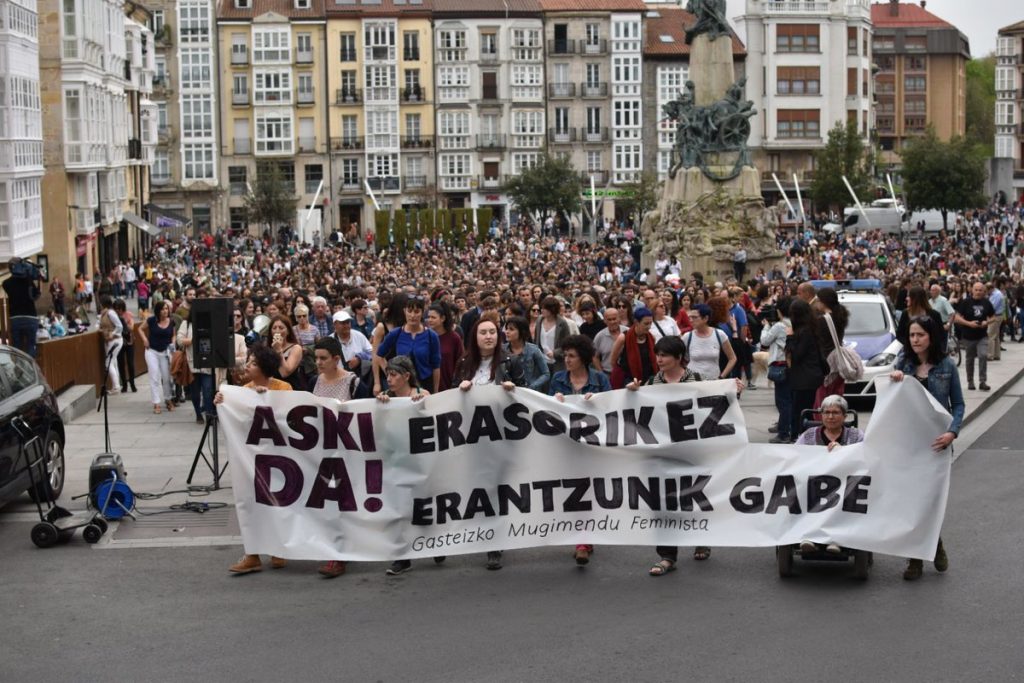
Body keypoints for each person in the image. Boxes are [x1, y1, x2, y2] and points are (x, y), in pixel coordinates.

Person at [627, 336, 742, 575]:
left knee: (694, 496)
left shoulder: (698, 380)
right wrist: (632, 394)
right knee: (661, 500)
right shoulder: (651, 383)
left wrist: (732, 390)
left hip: (693, 451)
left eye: (665, 355)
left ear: (679, 357)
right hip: (662, 452)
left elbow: (720, 402)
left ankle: (700, 536)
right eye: (657, 355)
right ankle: (667, 555)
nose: (659, 359)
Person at [889, 314, 963, 581]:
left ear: (931, 336)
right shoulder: (903, 364)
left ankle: (934, 543)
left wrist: (952, 433)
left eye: (920, 334)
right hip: (909, 444)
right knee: (912, 501)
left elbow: (958, 404)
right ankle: (917, 559)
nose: (915, 339)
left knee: (930, 501)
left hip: (937, 444)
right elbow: (892, 402)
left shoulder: (946, 366)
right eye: (911, 335)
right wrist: (894, 379)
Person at [453, 315, 525, 570]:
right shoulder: (464, 363)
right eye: (483, 332)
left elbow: (527, 395)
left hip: (502, 436)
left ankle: (494, 542)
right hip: (473, 437)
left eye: (493, 332)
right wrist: (459, 390)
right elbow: (450, 400)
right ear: (475, 336)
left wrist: (513, 389)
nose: (488, 336)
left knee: (498, 487)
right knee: (479, 486)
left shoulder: (510, 361)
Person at [214, 343, 291, 575]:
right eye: (249, 361)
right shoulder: (243, 389)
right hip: (252, 459)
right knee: (251, 504)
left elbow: (289, 419)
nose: (248, 365)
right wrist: (222, 401)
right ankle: (252, 554)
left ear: (265, 367)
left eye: (254, 363)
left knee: (277, 504)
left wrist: (267, 400)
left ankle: (278, 548)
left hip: (279, 458)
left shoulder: (283, 388)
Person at [548, 334, 611, 566]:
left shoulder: (600, 379)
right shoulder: (558, 379)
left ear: (583, 358)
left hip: (593, 444)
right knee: (575, 491)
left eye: (572, 356)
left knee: (590, 490)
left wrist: (597, 401)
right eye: (565, 356)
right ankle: (582, 539)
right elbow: (546, 409)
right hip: (567, 443)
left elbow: (612, 407)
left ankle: (585, 538)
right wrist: (553, 400)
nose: (567, 360)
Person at [312, 337, 361, 579]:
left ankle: (341, 553)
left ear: (336, 359)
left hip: (348, 452)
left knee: (345, 502)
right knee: (330, 502)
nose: (318, 363)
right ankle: (337, 550)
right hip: (324, 451)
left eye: (323, 358)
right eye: (316, 358)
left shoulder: (353, 382)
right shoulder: (316, 381)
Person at [378, 356, 432, 576]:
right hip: (397, 462)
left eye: (393, 375)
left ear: (406, 376)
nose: (388, 380)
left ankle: (435, 543)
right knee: (399, 510)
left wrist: (424, 403)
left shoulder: (422, 394)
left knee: (424, 507)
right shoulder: (385, 399)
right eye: (387, 375)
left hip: (421, 462)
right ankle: (403, 557)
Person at [794, 394, 865, 555]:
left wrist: (845, 452)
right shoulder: (809, 435)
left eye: (835, 412)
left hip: (845, 487)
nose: (830, 416)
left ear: (845, 416)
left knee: (844, 498)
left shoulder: (857, 436)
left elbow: (866, 458)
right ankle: (809, 537)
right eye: (826, 412)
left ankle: (836, 539)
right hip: (814, 484)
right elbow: (795, 457)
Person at [375, 295, 441, 394]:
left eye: (416, 311)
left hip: (425, 383)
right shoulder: (396, 333)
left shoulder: (432, 336)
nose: (412, 315)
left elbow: (436, 367)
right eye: (409, 311)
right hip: (402, 385)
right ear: (404, 311)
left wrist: (435, 391)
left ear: (422, 313)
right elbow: (379, 355)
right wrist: (391, 373)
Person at [786, 299, 826, 441]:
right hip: (809, 376)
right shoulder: (810, 328)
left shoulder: (804, 332)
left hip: (805, 377)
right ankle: (803, 435)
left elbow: (797, 355)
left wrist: (789, 338)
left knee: (801, 410)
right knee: (804, 409)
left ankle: (799, 436)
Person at [176, 304, 215, 422]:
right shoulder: (186, 324)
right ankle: (198, 413)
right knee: (195, 393)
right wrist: (193, 340)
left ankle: (209, 415)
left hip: (208, 363)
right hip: (192, 363)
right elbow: (179, 340)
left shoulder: (211, 323)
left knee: (208, 390)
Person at [761, 297, 793, 443]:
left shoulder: (779, 326)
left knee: (782, 401)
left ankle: (784, 433)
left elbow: (764, 341)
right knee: (788, 399)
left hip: (780, 366)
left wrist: (766, 326)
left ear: (779, 311)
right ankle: (785, 425)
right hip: (790, 365)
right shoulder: (793, 323)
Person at [953, 281, 995, 391]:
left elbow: (993, 317)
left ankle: (982, 381)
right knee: (970, 359)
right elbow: (957, 318)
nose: (978, 292)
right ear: (972, 290)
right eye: (976, 290)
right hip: (968, 336)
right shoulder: (966, 302)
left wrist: (987, 322)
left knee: (983, 355)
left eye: (980, 290)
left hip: (982, 335)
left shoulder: (986, 302)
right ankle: (970, 381)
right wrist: (969, 323)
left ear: (983, 291)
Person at [137, 300, 176, 414]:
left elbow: (173, 335)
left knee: (166, 377)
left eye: (166, 309)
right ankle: (156, 403)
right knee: (154, 377)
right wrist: (145, 339)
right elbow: (140, 329)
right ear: (158, 311)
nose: (165, 311)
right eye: (163, 309)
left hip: (165, 352)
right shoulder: (151, 320)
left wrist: (172, 344)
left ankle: (168, 399)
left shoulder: (171, 321)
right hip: (152, 351)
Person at [681, 304, 736, 383]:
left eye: (695, 317)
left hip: (714, 381)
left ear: (706, 318)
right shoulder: (687, 337)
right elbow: (678, 359)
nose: (691, 320)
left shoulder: (719, 334)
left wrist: (721, 377)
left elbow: (732, 358)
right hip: (693, 381)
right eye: (690, 317)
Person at [611, 306, 657, 385]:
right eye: (646, 324)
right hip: (628, 380)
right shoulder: (623, 338)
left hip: (648, 380)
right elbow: (613, 361)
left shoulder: (652, 337)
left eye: (650, 323)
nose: (649, 327)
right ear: (636, 322)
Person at [4, 257, 41, 357]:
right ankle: (29, 369)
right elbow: (36, 295)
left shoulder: (6, 283)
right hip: (31, 317)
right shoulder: (29, 281)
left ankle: (19, 369)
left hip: (15, 317)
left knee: (16, 347)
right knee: (30, 346)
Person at [503, 315, 550, 392]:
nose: (507, 332)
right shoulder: (502, 350)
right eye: (506, 329)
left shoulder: (533, 350)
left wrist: (532, 386)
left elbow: (546, 374)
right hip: (508, 391)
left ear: (522, 331)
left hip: (529, 393)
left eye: (511, 329)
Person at [426, 302, 463, 392]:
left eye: (433, 317)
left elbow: (460, 362)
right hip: (427, 386)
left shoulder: (454, 338)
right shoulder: (424, 336)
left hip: (448, 386)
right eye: (428, 317)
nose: (429, 320)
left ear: (442, 318)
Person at [895, 286, 944, 353]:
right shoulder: (905, 313)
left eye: (909, 296)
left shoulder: (934, 315)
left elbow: (940, 335)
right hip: (910, 353)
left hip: (930, 353)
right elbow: (899, 335)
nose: (906, 298)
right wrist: (911, 345)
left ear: (916, 298)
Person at [533, 296, 571, 374]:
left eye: (544, 309)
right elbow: (536, 340)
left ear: (552, 310)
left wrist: (555, 353)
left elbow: (567, 344)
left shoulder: (562, 323)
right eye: (542, 308)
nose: (542, 310)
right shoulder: (539, 320)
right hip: (542, 361)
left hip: (557, 362)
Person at [267, 315, 305, 391]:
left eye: (281, 328)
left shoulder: (296, 348)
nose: (277, 331)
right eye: (274, 328)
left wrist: (278, 350)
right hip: (272, 389)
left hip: (291, 390)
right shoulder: (267, 348)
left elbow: (285, 372)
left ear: (288, 331)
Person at [98, 295, 123, 394]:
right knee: (113, 362)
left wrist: (112, 334)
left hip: (114, 340)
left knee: (108, 363)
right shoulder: (105, 314)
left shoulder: (111, 313)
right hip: (110, 340)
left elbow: (119, 326)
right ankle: (116, 386)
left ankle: (116, 386)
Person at [113, 300, 137, 393]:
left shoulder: (128, 315)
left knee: (130, 363)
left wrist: (123, 323)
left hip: (129, 341)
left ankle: (132, 383)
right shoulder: (113, 317)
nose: (118, 311)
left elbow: (131, 328)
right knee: (121, 364)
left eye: (119, 309)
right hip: (119, 341)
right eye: (116, 309)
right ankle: (124, 385)